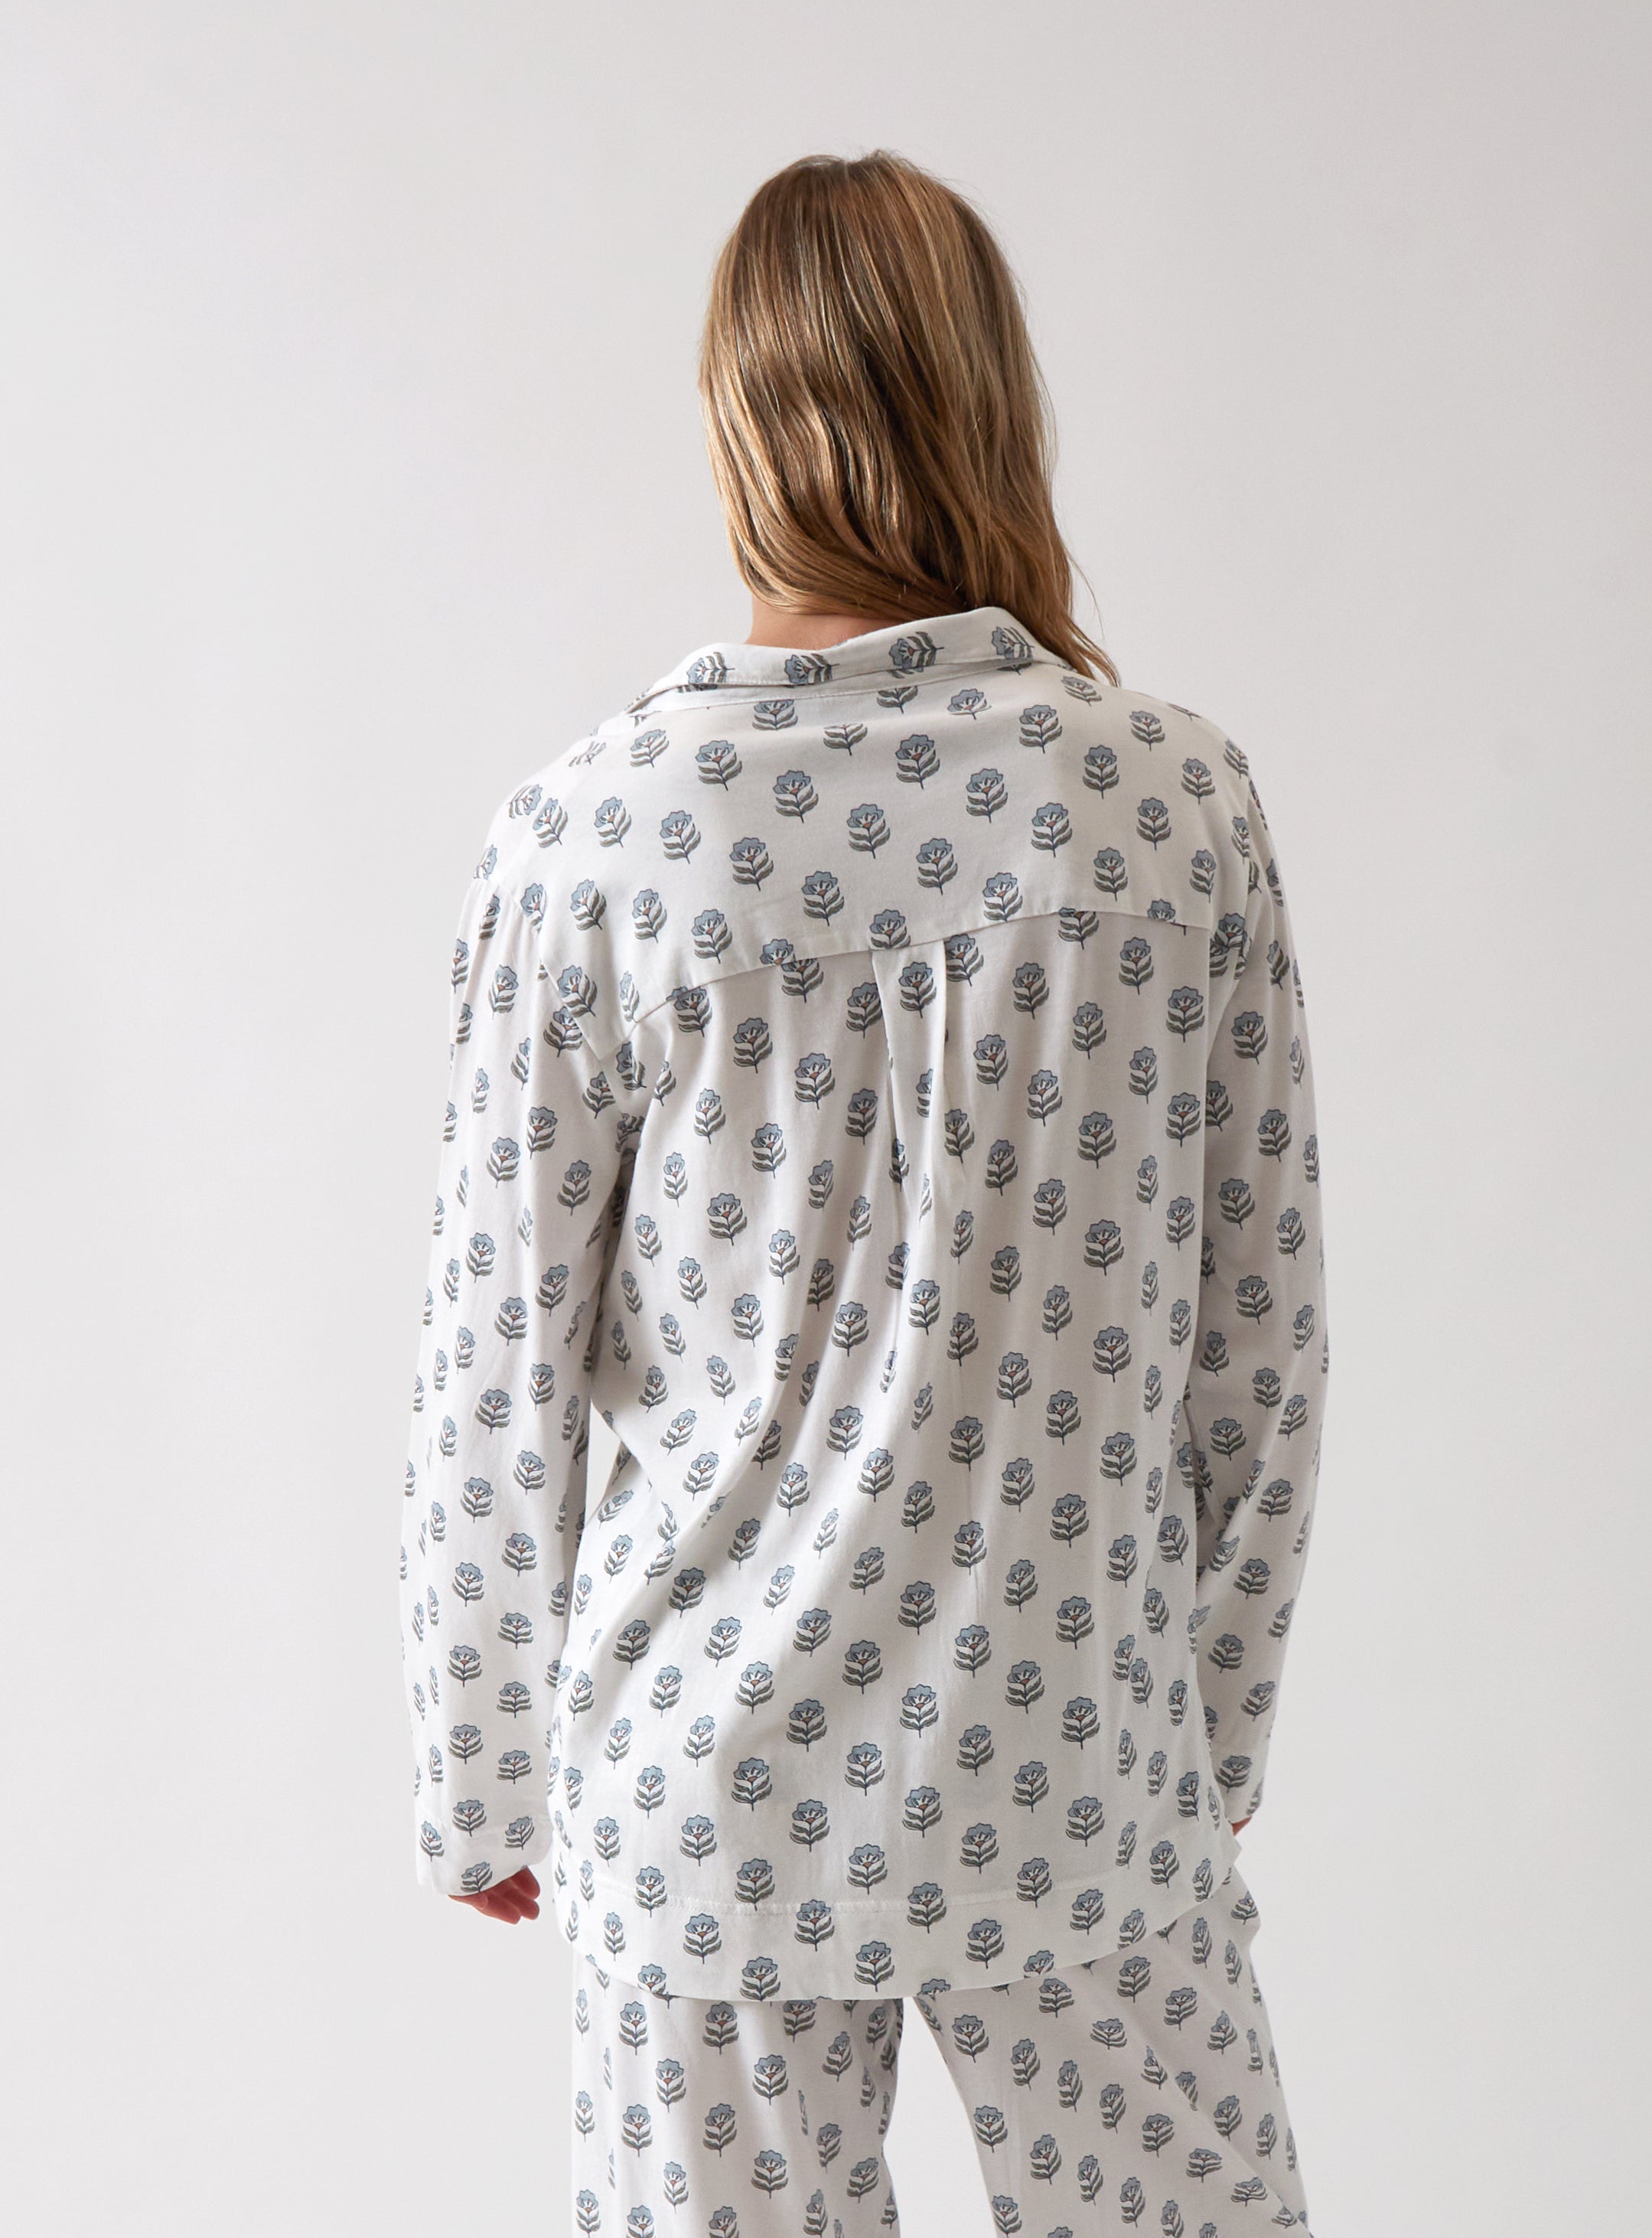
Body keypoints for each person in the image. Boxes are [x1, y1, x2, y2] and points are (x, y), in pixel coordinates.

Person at [397, 150, 1329, 2234]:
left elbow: (495, 1360)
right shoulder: (1171, 802)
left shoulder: (594, 837)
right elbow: (1259, 1334)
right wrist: (1211, 1719)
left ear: (743, 420)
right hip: (1077, 1751)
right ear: (993, 397)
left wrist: (479, 1766)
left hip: (703, 1791)